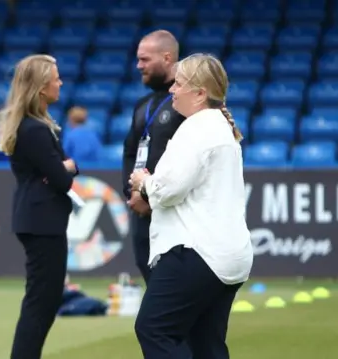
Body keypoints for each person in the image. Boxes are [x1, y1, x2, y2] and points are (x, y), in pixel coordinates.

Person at [129, 53, 254, 359]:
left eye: (179, 84)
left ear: (199, 94)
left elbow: (168, 190)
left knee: (154, 329)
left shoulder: (197, 129)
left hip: (197, 251)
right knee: (206, 343)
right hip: (227, 255)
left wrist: (142, 182)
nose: (172, 89)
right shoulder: (220, 128)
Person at [0, 54, 78, 359]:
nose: (60, 83)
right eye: (55, 78)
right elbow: (62, 178)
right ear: (41, 87)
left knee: (42, 301)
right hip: (43, 222)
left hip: (37, 219)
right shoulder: (37, 130)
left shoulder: (30, 126)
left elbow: (55, 173)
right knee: (41, 303)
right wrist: (67, 167)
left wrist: (61, 168)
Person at [122, 30, 186, 284]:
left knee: (175, 286)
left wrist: (153, 198)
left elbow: (188, 159)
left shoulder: (186, 102)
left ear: (167, 58)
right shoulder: (142, 104)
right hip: (141, 210)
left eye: (145, 59)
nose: (139, 66)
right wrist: (133, 195)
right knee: (151, 278)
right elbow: (129, 152)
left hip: (172, 211)